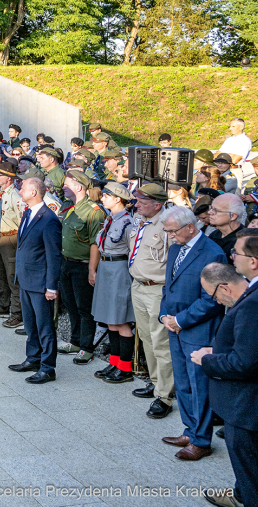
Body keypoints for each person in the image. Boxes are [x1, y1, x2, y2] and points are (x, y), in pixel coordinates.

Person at [195, 238, 258, 507]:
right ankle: (240, 494)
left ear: (254, 261)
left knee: (252, 473)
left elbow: (245, 363)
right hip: (249, 405)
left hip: (249, 407)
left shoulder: (256, 302)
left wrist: (208, 359)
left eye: (236, 253)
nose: (232, 257)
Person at [158, 205, 227, 461]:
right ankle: (190, 429)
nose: (170, 236)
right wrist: (164, 315)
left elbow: (212, 299)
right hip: (175, 326)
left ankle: (201, 441)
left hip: (198, 329)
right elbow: (170, 286)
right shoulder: (176, 246)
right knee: (183, 382)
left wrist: (180, 320)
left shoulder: (213, 253)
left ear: (190, 227)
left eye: (173, 231)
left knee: (199, 386)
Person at [128, 183, 177, 418]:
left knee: (161, 342)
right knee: (147, 338)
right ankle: (156, 383)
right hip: (138, 285)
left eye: (142, 202)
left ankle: (165, 396)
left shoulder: (167, 225)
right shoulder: (140, 221)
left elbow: (173, 261)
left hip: (156, 289)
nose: (136, 205)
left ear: (157, 205)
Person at [9, 177, 63, 383]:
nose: (20, 191)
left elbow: (54, 255)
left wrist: (51, 286)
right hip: (26, 278)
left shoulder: (48, 219)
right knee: (30, 324)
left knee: (45, 326)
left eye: (22, 189)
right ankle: (33, 358)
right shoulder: (28, 213)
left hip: (40, 282)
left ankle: (48, 367)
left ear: (33, 193)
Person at [89, 182, 137, 383]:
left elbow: (133, 251)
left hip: (119, 269)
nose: (103, 198)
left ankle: (125, 367)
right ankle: (115, 362)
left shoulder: (128, 222)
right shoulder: (110, 219)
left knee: (121, 319)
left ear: (118, 199)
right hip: (107, 268)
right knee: (111, 320)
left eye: (107, 196)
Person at [58, 170, 105, 365]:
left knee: (85, 308)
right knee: (71, 305)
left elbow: (96, 243)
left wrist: (92, 270)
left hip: (83, 265)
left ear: (78, 187)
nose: (63, 187)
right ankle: (75, 341)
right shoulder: (71, 208)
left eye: (67, 184)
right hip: (67, 263)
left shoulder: (94, 211)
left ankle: (87, 347)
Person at [0, 161, 24, 327]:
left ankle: (17, 313)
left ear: (9, 178)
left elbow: (22, 220)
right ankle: (3, 305)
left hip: (10, 237)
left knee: (12, 276)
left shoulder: (16, 196)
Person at [208, 193, 246, 258]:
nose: (209, 212)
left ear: (233, 216)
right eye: (211, 208)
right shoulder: (215, 235)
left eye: (216, 210)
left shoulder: (243, 241)